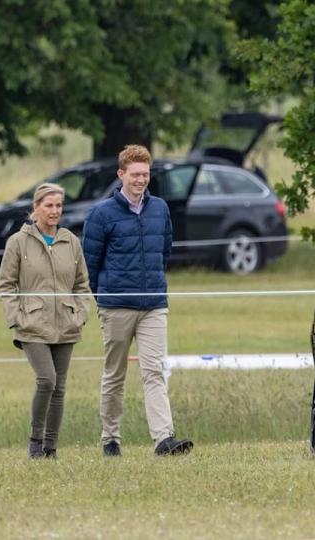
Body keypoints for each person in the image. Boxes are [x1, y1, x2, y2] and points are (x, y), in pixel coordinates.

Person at [82, 144, 193, 457]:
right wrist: (103, 297)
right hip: (116, 306)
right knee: (114, 374)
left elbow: (165, 250)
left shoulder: (160, 208)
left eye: (145, 174)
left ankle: (163, 439)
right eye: (135, 174)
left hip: (154, 305)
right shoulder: (101, 214)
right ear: (121, 175)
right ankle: (110, 439)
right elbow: (90, 262)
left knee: (155, 371)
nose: (141, 180)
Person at [0, 183, 91, 459]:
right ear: (36, 207)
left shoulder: (71, 242)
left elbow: (82, 285)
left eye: (59, 206)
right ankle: (35, 441)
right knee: (46, 380)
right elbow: (6, 285)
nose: (54, 211)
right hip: (32, 326)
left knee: (60, 387)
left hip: (66, 324)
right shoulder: (17, 242)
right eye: (49, 205)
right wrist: (16, 318)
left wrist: (80, 314)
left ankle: (50, 448)